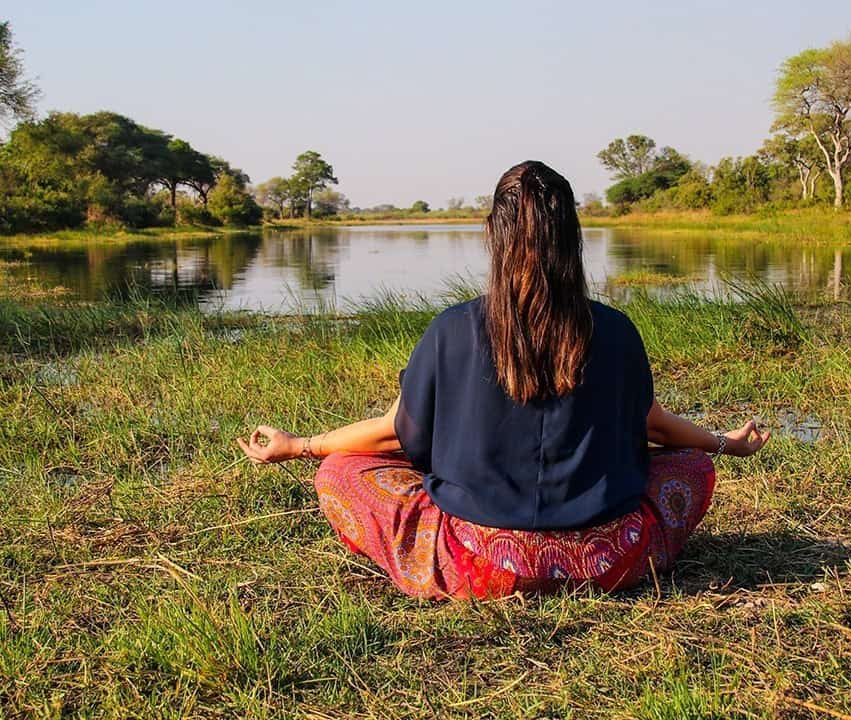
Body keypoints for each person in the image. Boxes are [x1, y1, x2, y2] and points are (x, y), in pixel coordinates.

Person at [238, 161, 769, 600]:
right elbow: (653, 426)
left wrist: (300, 446)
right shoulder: (615, 329)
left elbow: (393, 436)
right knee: (693, 468)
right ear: (573, 239)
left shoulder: (451, 329)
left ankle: (463, 568)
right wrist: (723, 445)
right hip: (607, 560)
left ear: (494, 233)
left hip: (480, 565)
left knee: (337, 474)